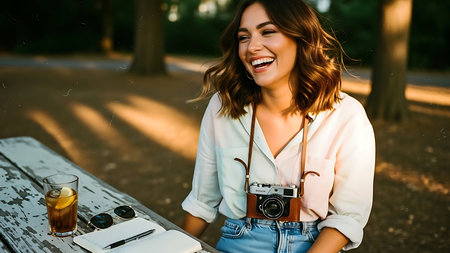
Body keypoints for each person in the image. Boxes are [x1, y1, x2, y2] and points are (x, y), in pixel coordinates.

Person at [182, 0, 375, 252]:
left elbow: (347, 217)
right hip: (238, 241)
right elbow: (202, 202)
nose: (252, 47)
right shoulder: (223, 107)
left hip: (315, 244)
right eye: (243, 37)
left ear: (300, 37)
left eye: (268, 31)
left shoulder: (346, 115)